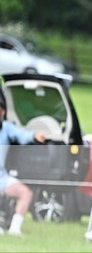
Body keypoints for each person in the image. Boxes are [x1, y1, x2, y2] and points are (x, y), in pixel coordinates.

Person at [0, 94, 46, 236]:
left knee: (25, 193)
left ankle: (14, 229)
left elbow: (21, 135)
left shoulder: (7, 128)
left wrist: (34, 136)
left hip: (2, 177)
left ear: (2, 112)